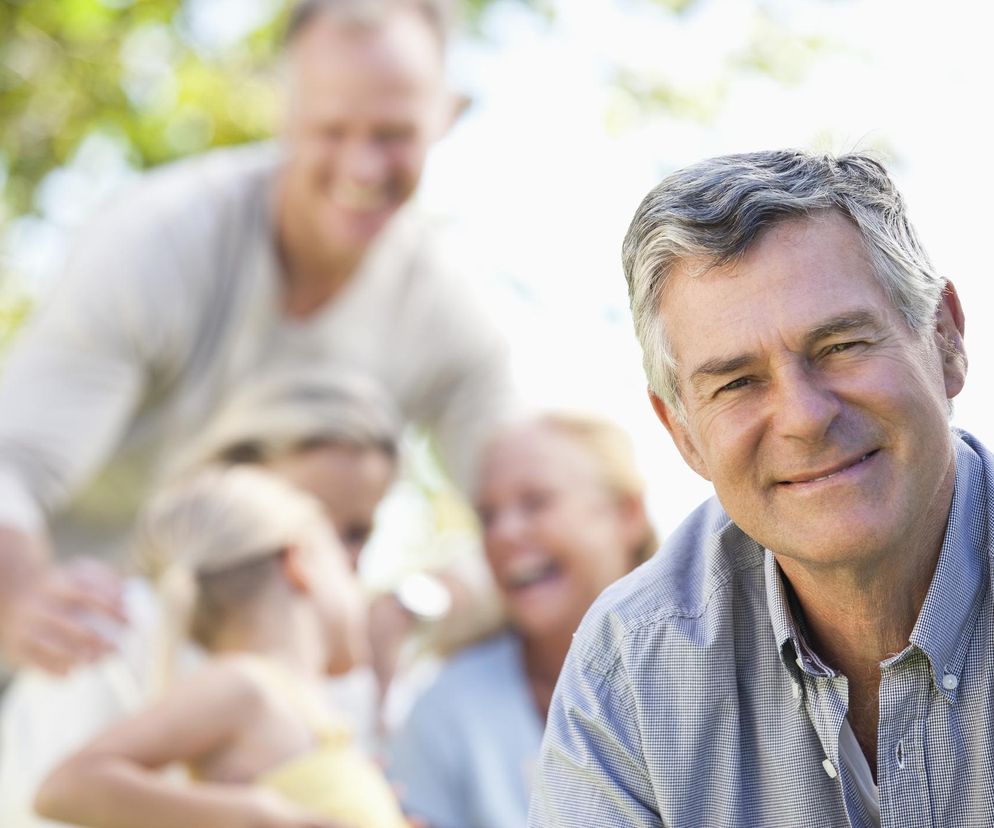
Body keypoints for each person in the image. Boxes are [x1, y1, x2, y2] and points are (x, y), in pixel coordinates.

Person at [0, 0, 514, 676]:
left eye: (393, 134)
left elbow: (533, 519)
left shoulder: (451, 315)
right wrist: (18, 599)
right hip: (71, 645)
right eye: (332, 130)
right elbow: (12, 461)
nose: (362, 168)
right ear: (283, 112)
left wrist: (416, 606)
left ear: (445, 116)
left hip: (251, 681)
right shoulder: (161, 239)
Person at [528, 149, 989, 827]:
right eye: (738, 382)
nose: (804, 416)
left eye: (841, 345)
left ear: (945, 338)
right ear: (683, 433)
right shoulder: (631, 671)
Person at [0, 370, 396, 827]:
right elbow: (47, 798)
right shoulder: (119, 628)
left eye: (359, 532)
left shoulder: (339, 687)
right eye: (313, 517)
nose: (346, 558)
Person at [389, 413, 655, 828]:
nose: (504, 533)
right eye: (487, 516)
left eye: (536, 502)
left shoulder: (715, 670)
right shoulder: (445, 710)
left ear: (627, 514)